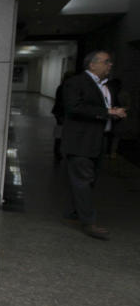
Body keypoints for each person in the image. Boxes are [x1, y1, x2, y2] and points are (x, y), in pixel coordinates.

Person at [61, 50, 127, 240]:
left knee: (88, 181)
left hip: (98, 140)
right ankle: (89, 222)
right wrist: (107, 112)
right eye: (106, 62)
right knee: (83, 180)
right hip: (80, 141)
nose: (110, 65)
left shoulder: (107, 87)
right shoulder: (76, 83)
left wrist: (115, 113)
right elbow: (74, 108)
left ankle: (73, 213)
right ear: (92, 64)